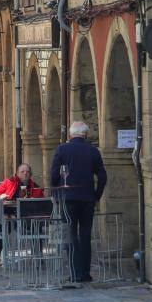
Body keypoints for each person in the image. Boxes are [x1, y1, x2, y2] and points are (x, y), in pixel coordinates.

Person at [49, 121, 108, 283]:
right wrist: (97, 195)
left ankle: (75, 273)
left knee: (71, 235)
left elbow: (54, 173)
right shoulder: (93, 151)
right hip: (87, 198)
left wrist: (54, 191)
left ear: (70, 134)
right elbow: (102, 176)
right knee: (85, 234)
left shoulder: (62, 149)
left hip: (67, 198)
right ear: (85, 134)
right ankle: (85, 273)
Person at [0, 163, 44, 264]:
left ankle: (38, 255)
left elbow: (41, 201)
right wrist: (0, 196)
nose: (25, 174)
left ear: (30, 174)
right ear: (17, 173)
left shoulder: (35, 187)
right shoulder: (10, 182)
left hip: (27, 215)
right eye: (22, 172)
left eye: (27, 172)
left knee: (37, 224)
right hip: (11, 213)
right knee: (4, 225)